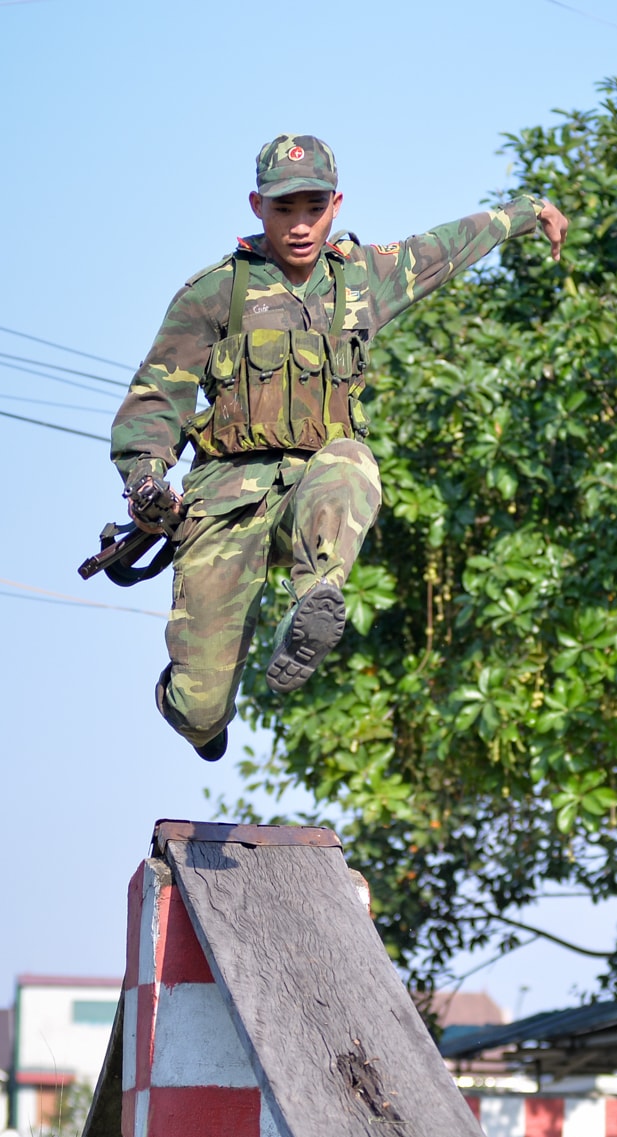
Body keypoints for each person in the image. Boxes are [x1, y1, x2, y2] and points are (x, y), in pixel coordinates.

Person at [111, 133, 569, 760]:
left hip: (314, 490)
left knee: (351, 460)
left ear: (336, 204)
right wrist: (145, 481)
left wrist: (528, 211)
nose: (300, 225)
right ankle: (198, 710)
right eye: (283, 209)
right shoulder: (216, 293)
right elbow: (157, 398)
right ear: (256, 206)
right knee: (199, 711)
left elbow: (446, 249)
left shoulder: (360, 279)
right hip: (226, 502)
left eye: (313, 207)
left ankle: (314, 598)